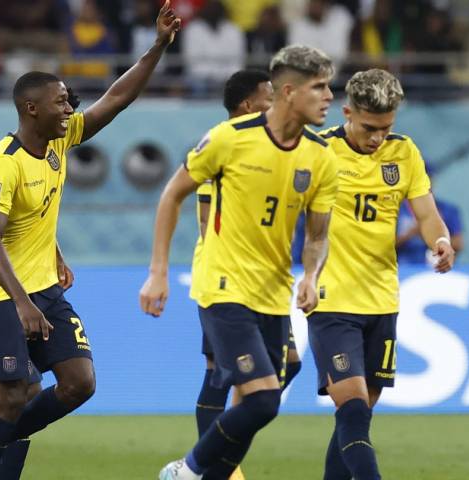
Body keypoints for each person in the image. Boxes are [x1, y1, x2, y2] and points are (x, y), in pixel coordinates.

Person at [0, 4, 179, 480]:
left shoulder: (58, 143)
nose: (70, 110)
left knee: (78, 383)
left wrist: (156, 47)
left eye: (70, 102)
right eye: (62, 102)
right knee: (10, 399)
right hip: (5, 295)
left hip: (41, 287)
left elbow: (116, 99)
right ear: (32, 109)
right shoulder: (3, 163)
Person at [141, 44, 338, 480]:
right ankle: (186, 471)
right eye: (319, 87)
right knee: (263, 399)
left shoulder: (321, 157)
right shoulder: (229, 138)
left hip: (273, 294)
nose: (329, 96)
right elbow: (172, 194)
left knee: (266, 395)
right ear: (288, 91)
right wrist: (158, 272)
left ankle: (209, 474)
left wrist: (311, 275)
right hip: (223, 286)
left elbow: (318, 234)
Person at [312, 69, 454, 480]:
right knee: (353, 406)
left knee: (355, 418)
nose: (377, 138)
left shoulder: (403, 152)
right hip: (330, 299)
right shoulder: (318, 150)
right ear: (347, 112)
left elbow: (425, 213)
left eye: (386, 127)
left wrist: (439, 242)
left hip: (382, 300)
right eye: (370, 127)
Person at [191, 69, 301, 480]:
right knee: (218, 371)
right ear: (246, 106)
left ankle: (217, 451)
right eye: (267, 96)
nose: (274, 102)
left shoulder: (277, 146)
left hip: (267, 281)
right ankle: (217, 470)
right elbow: (206, 222)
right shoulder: (225, 142)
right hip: (225, 280)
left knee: (289, 364)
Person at [397, 166, 464, 263]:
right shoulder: (396, 209)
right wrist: (411, 233)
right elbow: (381, 247)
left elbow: (458, 243)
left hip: (435, 269)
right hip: (403, 270)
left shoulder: (447, 209)